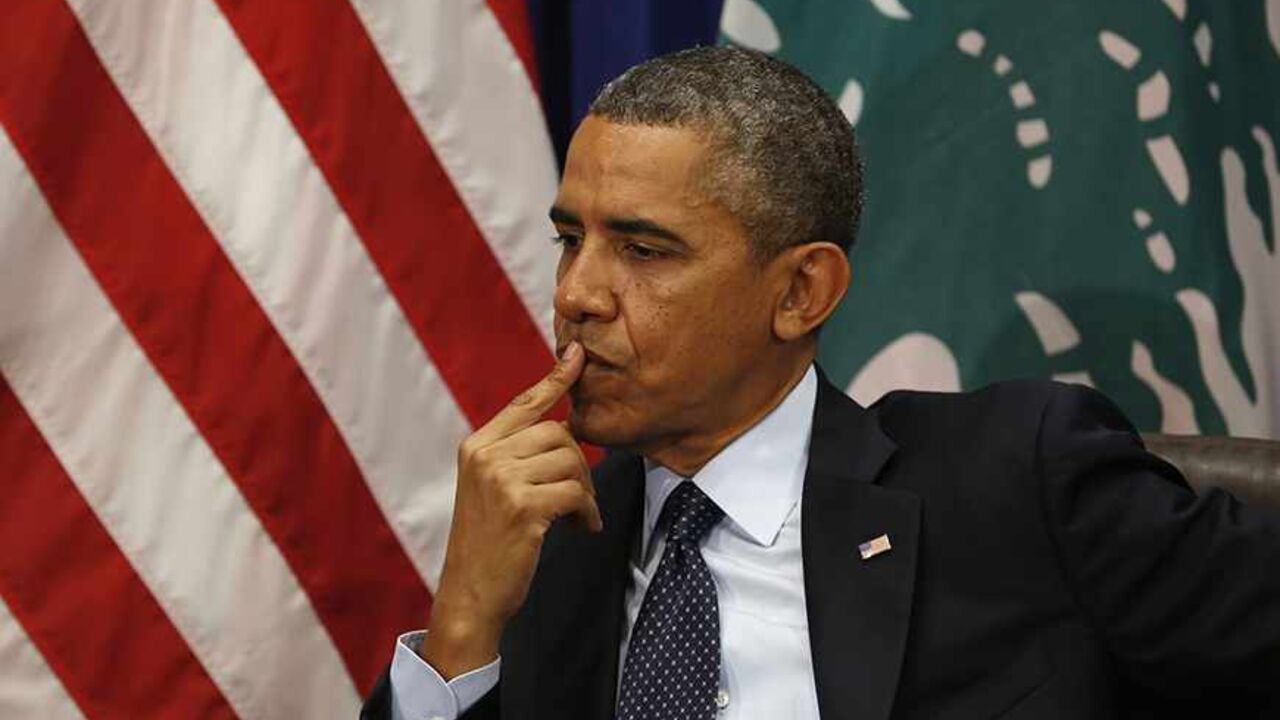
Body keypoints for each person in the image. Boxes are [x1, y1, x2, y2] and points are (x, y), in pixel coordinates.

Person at [361, 46, 1280, 719]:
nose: (576, 295)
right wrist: (463, 626)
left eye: (642, 251)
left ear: (802, 291)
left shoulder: (1013, 477)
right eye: (571, 240)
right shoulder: (547, 550)